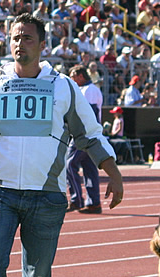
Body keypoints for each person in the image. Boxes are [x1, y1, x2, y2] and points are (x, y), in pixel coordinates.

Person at [0, 13, 123, 277]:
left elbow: (90, 134)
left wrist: (113, 172)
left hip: (47, 196)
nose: (20, 43)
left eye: (27, 38)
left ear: (42, 46)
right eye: (15, 38)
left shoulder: (64, 86)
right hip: (0, 193)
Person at [66, 65, 103, 214]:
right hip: (89, 133)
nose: (72, 80)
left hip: (84, 133)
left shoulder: (89, 90)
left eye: (73, 76)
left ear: (79, 75)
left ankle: (77, 200)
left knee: (69, 164)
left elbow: (89, 113)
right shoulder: (87, 89)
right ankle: (94, 203)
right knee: (89, 168)